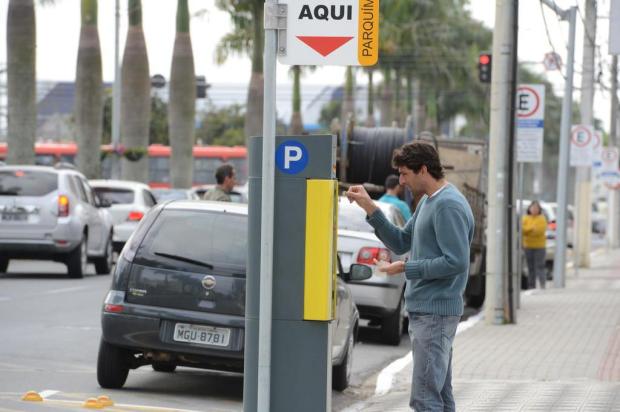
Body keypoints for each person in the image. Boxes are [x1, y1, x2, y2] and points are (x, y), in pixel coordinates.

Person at [346, 141, 474, 412]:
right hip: (428, 311)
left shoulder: (447, 205)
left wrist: (406, 268)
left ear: (423, 169)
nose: (401, 181)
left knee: (425, 398)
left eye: (405, 173)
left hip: (435, 313)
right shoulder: (429, 201)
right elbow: (401, 241)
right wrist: (370, 207)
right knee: (439, 396)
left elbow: (457, 262)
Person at [522, 201, 547, 289]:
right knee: (530, 267)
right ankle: (531, 285)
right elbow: (522, 230)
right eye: (532, 208)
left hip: (539, 247)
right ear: (529, 209)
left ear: (539, 210)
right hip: (528, 246)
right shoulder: (525, 218)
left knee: (540, 266)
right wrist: (531, 229)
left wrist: (528, 231)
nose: (534, 210)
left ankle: (542, 284)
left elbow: (539, 231)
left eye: (536, 208)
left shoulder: (542, 219)